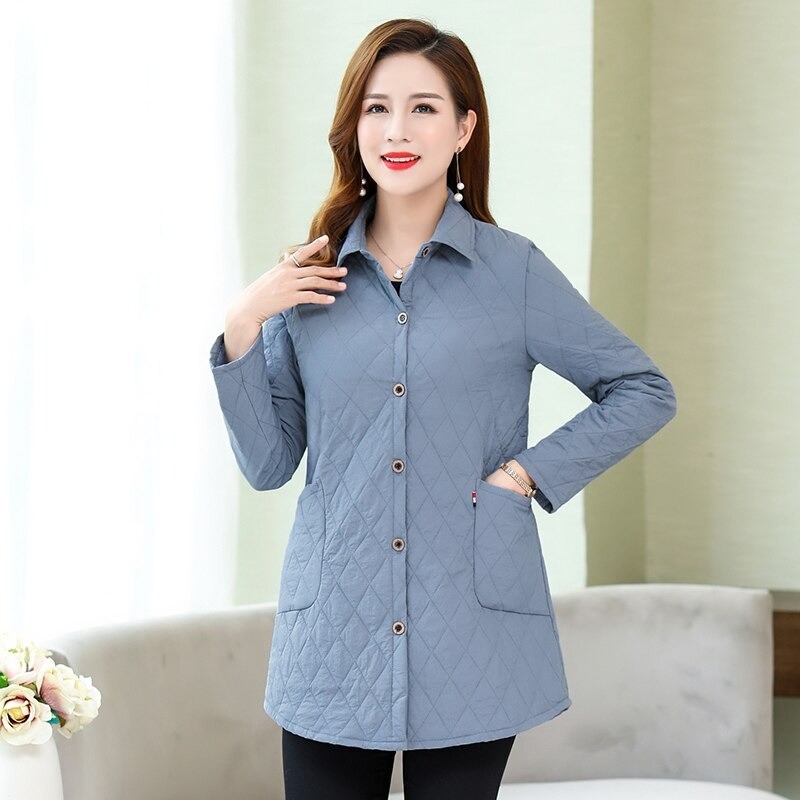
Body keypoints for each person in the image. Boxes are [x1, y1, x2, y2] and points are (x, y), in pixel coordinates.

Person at [208, 17, 677, 800]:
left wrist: (524, 476)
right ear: (353, 127)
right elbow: (268, 465)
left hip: (473, 628)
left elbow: (642, 389)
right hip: (332, 637)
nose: (397, 129)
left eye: (423, 108)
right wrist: (242, 325)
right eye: (377, 108)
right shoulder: (306, 284)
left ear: (463, 129)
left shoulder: (512, 272)